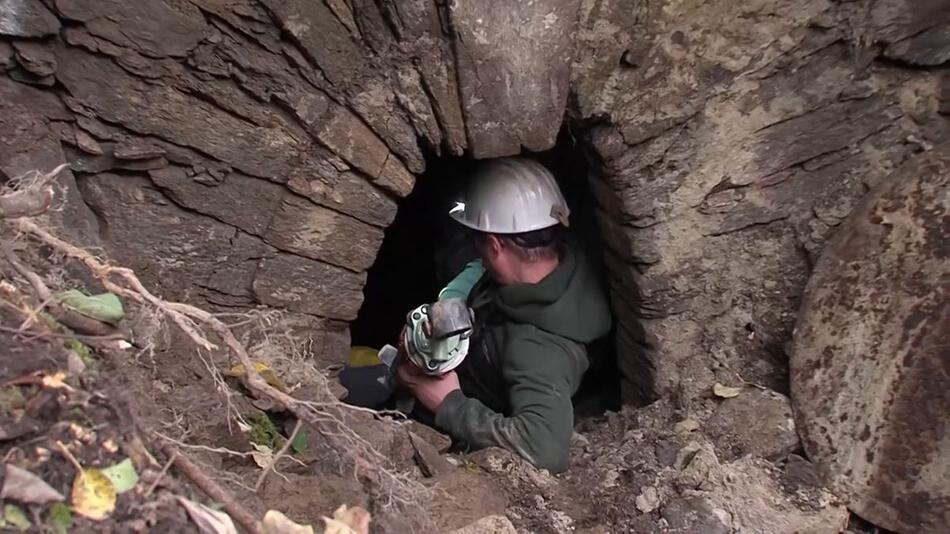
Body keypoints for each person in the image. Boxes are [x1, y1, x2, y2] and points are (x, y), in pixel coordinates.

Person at [398, 157, 612, 473]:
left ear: (496, 244)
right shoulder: (564, 256)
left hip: (464, 388)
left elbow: (544, 450)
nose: (477, 248)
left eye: (479, 240)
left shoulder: (538, 350)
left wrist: (448, 403)